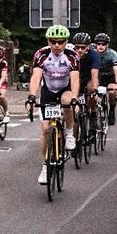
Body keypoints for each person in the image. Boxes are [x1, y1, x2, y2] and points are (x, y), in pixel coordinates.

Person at [25, 25, 79, 184]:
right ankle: (45, 166)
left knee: (67, 101)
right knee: (44, 129)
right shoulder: (41, 54)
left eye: (60, 42)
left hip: (65, 88)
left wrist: (75, 98)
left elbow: (75, 79)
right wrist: (31, 96)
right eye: (53, 41)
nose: (56, 45)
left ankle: (69, 133)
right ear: (48, 41)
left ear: (66, 41)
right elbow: (36, 77)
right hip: (48, 90)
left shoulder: (72, 55)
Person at [71, 31, 99, 130]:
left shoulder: (93, 55)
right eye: (77, 47)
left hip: (88, 77)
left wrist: (95, 90)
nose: (79, 50)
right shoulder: (71, 54)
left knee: (91, 90)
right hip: (76, 78)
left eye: (82, 47)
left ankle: (93, 113)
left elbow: (94, 74)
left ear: (88, 47)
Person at [94, 32, 117, 125]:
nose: (101, 46)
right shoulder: (92, 52)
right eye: (98, 44)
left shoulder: (112, 54)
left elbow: (116, 69)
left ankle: (112, 110)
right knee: (93, 94)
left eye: (103, 44)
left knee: (112, 91)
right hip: (98, 75)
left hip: (110, 76)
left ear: (107, 45)